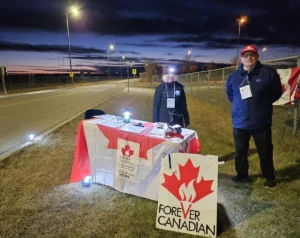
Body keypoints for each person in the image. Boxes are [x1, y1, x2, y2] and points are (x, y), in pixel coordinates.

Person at [226, 45, 282, 187]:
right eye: (245, 55)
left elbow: (276, 93)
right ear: (241, 58)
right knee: (240, 152)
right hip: (240, 122)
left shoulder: (268, 73)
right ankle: (242, 174)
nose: (249, 58)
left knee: (265, 152)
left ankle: (269, 176)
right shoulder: (233, 77)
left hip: (261, 122)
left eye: (252, 55)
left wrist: (261, 104)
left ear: (257, 57)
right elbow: (230, 95)